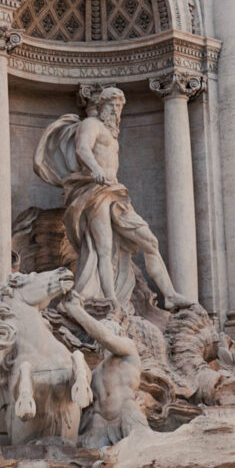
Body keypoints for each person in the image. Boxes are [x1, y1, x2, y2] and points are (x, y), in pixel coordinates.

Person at [34, 87, 194, 312]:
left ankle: (169, 295)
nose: (116, 111)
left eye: (119, 107)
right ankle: (111, 300)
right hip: (95, 192)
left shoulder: (111, 133)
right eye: (112, 106)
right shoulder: (91, 125)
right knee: (104, 249)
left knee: (150, 241)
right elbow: (82, 149)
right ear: (100, 107)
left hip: (115, 194)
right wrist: (95, 169)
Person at [59, 293, 147, 448]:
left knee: (140, 451)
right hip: (98, 422)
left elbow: (105, 338)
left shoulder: (129, 351)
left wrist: (75, 309)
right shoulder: (95, 373)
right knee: (90, 457)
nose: (100, 337)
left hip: (125, 414)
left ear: (119, 334)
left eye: (108, 329)